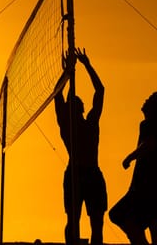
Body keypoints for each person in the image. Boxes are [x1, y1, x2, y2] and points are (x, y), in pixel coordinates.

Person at [109, 91, 157, 245]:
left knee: (117, 215)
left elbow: (148, 144)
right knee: (152, 225)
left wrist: (130, 157)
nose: (144, 101)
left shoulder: (147, 125)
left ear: (152, 108)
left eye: (148, 100)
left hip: (148, 189)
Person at [54, 48, 107, 245]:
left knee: (96, 222)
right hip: (77, 173)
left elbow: (100, 91)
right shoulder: (67, 124)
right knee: (75, 220)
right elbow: (57, 93)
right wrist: (70, 70)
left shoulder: (89, 122)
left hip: (90, 173)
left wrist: (83, 67)